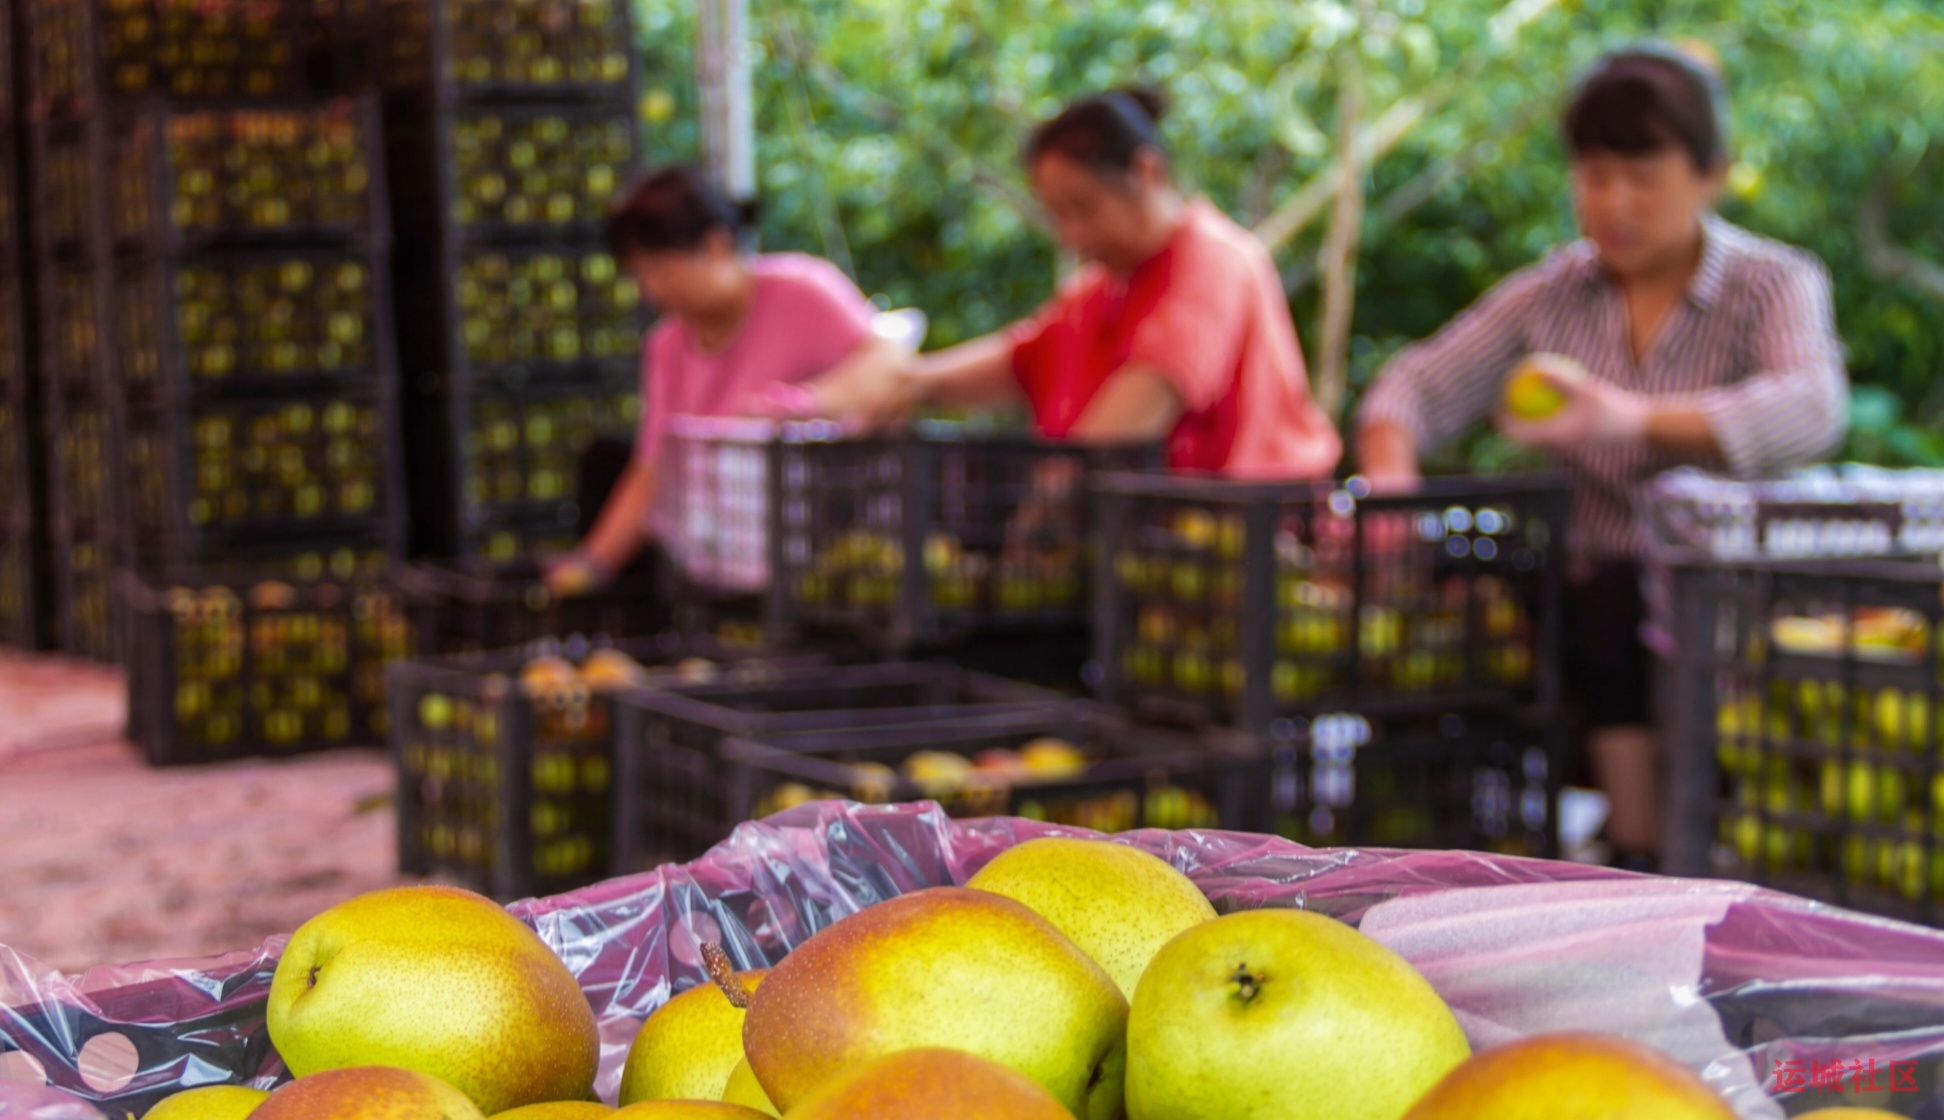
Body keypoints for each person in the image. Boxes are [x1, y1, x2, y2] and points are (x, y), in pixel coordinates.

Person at [1354, 45, 1848, 868]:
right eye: (1593, 175)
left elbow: (1812, 407)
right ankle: (1600, 843)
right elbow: (1409, 389)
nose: (1613, 202)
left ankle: (1649, 843)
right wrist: (1389, 484)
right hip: (1586, 612)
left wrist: (1631, 419)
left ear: (1711, 174)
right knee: (1560, 593)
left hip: (1731, 610)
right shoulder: (1552, 294)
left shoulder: (1771, 283)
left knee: (1625, 597)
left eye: (1642, 177)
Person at [812, 89, 1340, 477]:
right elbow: (1023, 359)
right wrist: (912, 381)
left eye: (1083, 209)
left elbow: (1143, 401)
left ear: (1146, 172)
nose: (1073, 235)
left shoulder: (1214, 260)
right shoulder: (1102, 290)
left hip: (1246, 552)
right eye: (1058, 215)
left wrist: (1050, 500)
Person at [545, 167, 908, 593]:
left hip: (840, 549)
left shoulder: (803, 290)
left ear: (715, 245)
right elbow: (652, 471)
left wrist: (806, 403)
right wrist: (591, 564)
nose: (652, 290)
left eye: (659, 269)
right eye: (640, 276)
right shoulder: (665, 346)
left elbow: (891, 366)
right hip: (731, 569)